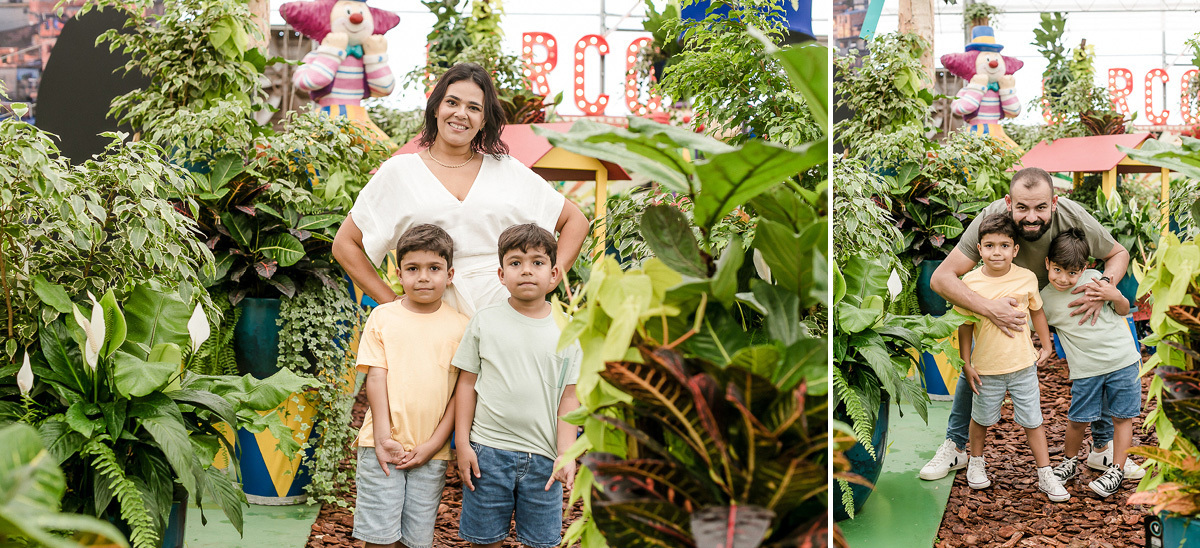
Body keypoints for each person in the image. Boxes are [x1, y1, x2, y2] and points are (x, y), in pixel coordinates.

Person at [919, 167, 1143, 482]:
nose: (1031, 217)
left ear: (1054, 202)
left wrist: (1103, 287)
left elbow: (1117, 253)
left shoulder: (1073, 216)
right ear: (1009, 202)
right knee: (978, 365)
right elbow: (941, 278)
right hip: (1007, 308)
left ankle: (1102, 448)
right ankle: (956, 446)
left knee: (1102, 358)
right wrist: (990, 308)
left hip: (1058, 298)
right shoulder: (992, 219)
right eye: (1022, 208)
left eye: (1040, 208)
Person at [332, 62, 589, 317]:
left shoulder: (507, 170)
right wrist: (391, 303)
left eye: (473, 108)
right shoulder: (399, 172)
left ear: (484, 120)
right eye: (452, 103)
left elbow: (574, 221)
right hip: (428, 319)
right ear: (435, 109)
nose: (461, 114)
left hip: (505, 315)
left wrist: (550, 280)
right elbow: (344, 243)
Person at [451, 224, 583, 548]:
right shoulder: (484, 321)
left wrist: (566, 452)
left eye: (537, 263)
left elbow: (569, 396)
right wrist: (463, 444)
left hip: (544, 458)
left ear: (554, 274)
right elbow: (466, 384)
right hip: (487, 452)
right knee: (484, 541)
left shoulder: (568, 330)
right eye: (516, 263)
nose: (526, 270)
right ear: (501, 273)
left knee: (542, 542)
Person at [351, 224, 471, 548]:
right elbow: (375, 378)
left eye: (434, 268)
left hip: (431, 454)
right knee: (379, 538)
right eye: (413, 269)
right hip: (381, 447)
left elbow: (460, 395)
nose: (423, 277)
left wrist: (434, 445)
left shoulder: (462, 327)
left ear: (450, 275)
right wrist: (383, 438)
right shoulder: (383, 317)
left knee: (416, 540)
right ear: (399, 275)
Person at [955, 214, 1067, 502]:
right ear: (979, 249)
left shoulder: (1026, 278)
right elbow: (965, 325)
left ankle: (1045, 473)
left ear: (1015, 250)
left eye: (1004, 245)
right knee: (980, 419)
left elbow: (1038, 312)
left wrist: (1046, 344)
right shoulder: (969, 282)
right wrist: (966, 364)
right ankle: (976, 463)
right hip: (986, 368)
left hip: (1022, 366)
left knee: (1033, 420)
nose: (997, 252)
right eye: (989, 245)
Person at [1041, 229, 1143, 498]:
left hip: (1123, 360)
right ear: (1047, 264)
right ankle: (1069, 462)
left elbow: (1124, 309)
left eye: (1072, 272)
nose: (1064, 279)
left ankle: (1117, 469)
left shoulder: (1097, 281)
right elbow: (1033, 326)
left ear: (1084, 268)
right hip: (1086, 370)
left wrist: (1114, 295)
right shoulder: (1045, 299)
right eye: (1058, 270)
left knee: (1122, 418)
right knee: (1077, 419)